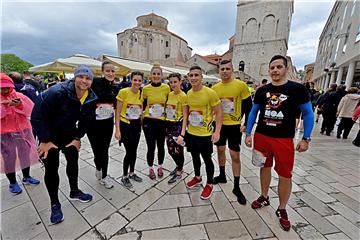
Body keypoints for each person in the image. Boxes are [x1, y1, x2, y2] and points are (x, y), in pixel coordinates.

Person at [245, 55, 314, 231]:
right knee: (264, 167)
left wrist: (306, 138)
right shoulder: (262, 90)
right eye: (272, 67)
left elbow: (308, 114)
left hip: (284, 139)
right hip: (261, 136)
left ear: (286, 69)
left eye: (279, 67)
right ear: (269, 70)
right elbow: (253, 112)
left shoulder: (298, 89)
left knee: (285, 174)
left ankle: (282, 208)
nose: (275, 70)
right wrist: (248, 133)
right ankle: (264, 196)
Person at [31, 65, 97, 225]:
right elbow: (36, 117)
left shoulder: (91, 97)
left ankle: (74, 191)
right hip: (50, 136)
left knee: (73, 163)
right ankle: (55, 204)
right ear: (75, 77)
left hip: (69, 134)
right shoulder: (56, 92)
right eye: (81, 76)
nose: (84, 80)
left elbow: (87, 119)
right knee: (51, 169)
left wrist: (77, 136)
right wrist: (45, 140)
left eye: (88, 78)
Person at [177, 66, 222, 200]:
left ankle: (209, 183)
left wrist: (217, 132)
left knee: (207, 159)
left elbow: (219, 112)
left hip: (206, 134)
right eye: (191, 75)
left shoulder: (210, 93)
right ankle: (197, 177)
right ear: (188, 77)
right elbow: (186, 115)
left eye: (197, 75)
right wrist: (183, 133)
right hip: (192, 133)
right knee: (195, 157)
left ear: (201, 77)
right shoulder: (188, 94)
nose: (194, 78)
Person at [211, 60, 252, 205]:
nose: (225, 71)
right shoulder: (215, 88)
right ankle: (222, 176)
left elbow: (249, 106)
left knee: (235, 155)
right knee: (220, 150)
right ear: (219, 71)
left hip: (234, 125)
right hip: (220, 125)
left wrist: (247, 124)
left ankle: (236, 186)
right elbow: (212, 108)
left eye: (228, 68)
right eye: (222, 69)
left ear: (232, 70)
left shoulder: (240, 85)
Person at [1, 73, 40, 194]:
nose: (6, 90)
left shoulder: (20, 96)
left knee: (25, 154)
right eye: (2, 88)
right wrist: (5, 107)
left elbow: (32, 110)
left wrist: (20, 105)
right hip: (4, 134)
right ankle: (12, 183)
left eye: (8, 87)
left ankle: (26, 177)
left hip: (23, 131)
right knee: (9, 158)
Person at [87, 61, 120, 189]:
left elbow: (117, 106)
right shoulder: (94, 82)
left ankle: (104, 176)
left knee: (105, 150)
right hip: (93, 125)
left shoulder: (115, 87)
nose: (110, 73)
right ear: (102, 72)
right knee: (96, 151)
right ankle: (98, 167)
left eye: (112, 71)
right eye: (107, 71)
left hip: (107, 124)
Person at [114, 71, 144, 188]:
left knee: (134, 150)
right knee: (129, 151)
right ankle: (124, 176)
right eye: (135, 80)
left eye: (139, 80)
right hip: (125, 125)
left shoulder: (141, 94)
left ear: (142, 82)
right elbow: (117, 112)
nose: (137, 82)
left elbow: (140, 110)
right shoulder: (123, 92)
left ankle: (132, 172)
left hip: (136, 125)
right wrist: (117, 130)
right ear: (131, 80)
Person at [142, 63, 170, 179]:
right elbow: (143, 105)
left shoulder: (166, 88)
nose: (156, 76)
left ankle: (160, 166)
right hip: (149, 121)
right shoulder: (145, 88)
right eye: (154, 74)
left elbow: (169, 104)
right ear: (150, 75)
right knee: (151, 147)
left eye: (158, 74)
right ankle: (150, 168)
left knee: (161, 146)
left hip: (162, 122)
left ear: (162, 75)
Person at [164, 73, 187, 184]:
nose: (173, 84)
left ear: (180, 82)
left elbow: (186, 116)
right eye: (171, 82)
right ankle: (178, 165)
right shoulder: (170, 94)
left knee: (178, 149)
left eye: (175, 82)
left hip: (178, 125)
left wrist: (182, 133)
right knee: (170, 149)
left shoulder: (183, 96)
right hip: (169, 125)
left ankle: (179, 170)